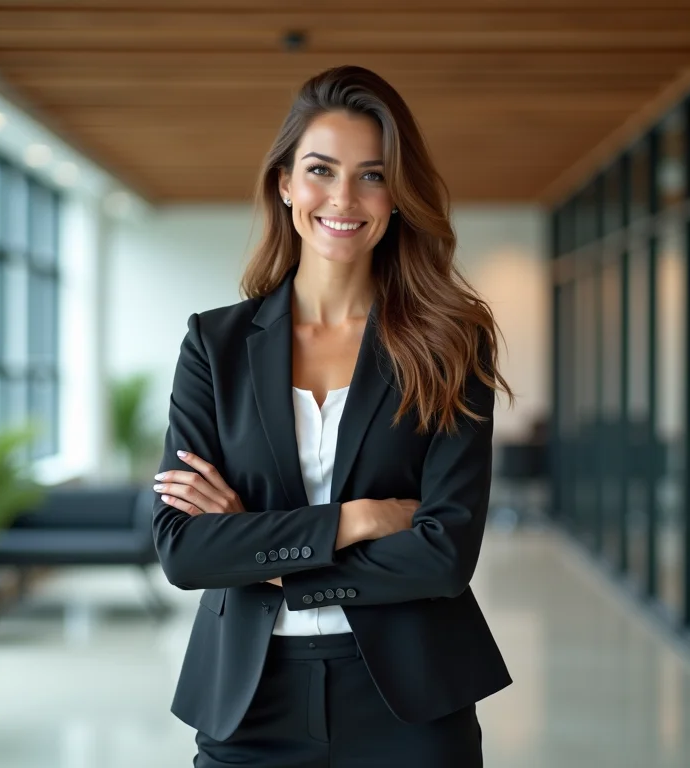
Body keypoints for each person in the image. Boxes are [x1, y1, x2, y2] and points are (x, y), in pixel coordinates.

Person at [151, 65, 514, 768]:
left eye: (372, 176)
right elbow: (185, 550)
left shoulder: (451, 342)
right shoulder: (215, 345)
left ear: (398, 196)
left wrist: (264, 555)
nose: (344, 197)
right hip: (248, 701)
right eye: (321, 169)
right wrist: (357, 519)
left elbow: (443, 555)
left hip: (411, 700)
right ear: (284, 182)